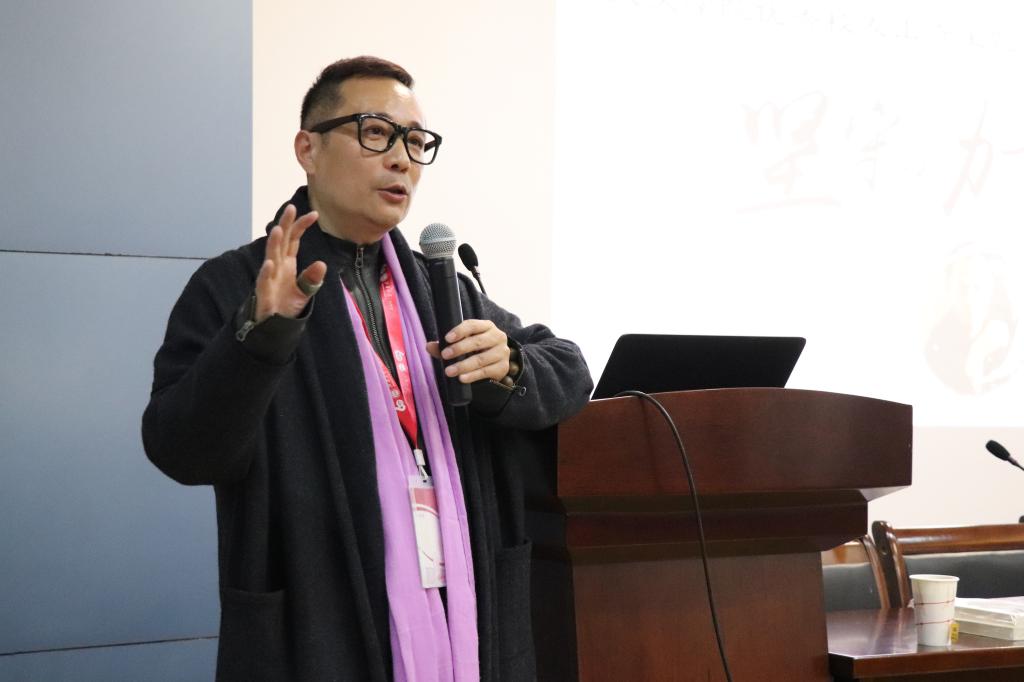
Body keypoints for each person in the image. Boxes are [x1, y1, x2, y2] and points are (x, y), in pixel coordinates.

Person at [142, 55, 592, 682]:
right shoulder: (236, 286)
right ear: (308, 148)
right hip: (319, 624)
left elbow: (569, 368)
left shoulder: (439, 288)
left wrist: (510, 369)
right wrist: (260, 338)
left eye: (415, 141)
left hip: (463, 613)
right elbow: (180, 449)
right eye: (376, 132)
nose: (402, 158)